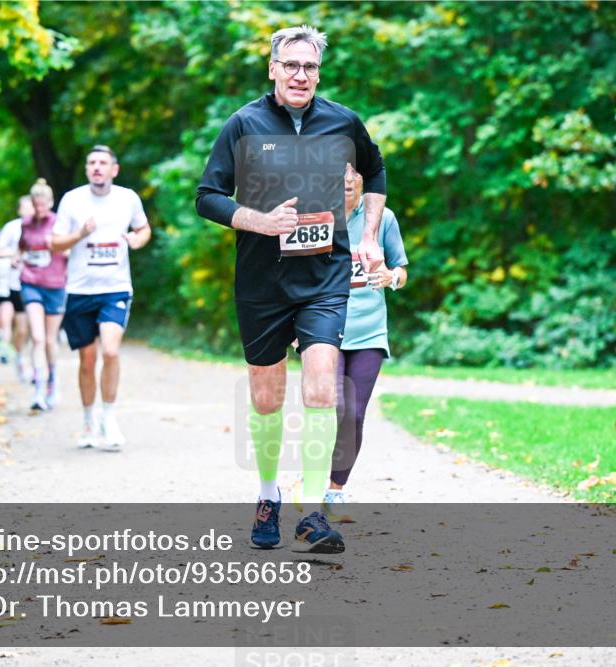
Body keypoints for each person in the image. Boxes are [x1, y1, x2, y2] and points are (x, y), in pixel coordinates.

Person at [196, 25, 386, 553]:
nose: (301, 75)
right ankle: (268, 495)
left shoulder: (343, 121)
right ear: (273, 69)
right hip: (262, 281)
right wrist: (259, 221)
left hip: (324, 277)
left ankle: (312, 511)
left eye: (310, 67)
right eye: (292, 65)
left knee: (322, 386)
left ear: (318, 74)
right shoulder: (244, 124)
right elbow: (207, 196)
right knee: (266, 399)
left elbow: (375, 172)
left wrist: (369, 236)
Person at [52, 145, 151, 451]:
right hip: (80, 290)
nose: (97, 167)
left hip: (115, 288)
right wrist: (80, 234)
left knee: (110, 351)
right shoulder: (72, 200)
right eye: (92, 162)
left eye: (102, 162)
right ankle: (88, 421)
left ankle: (109, 418)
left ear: (114, 169)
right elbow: (55, 244)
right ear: (87, 169)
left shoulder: (127, 198)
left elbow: (144, 228)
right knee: (87, 359)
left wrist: (137, 240)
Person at [324, 163, 408, 520]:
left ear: (365, 179)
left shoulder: (382, 218)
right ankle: (311, 477)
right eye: (340, 171)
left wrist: (391, 277)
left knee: (353, 414)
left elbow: (401, 270)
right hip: (325, 328)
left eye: (355, 172)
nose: (347, 179)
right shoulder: (317, 217)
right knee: (330, 407)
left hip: (369, 330)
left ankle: (335, 489)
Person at [19, 179, 68, 411]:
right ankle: (38, 389)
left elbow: (70, 249)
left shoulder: (59, 223)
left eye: (43, 205)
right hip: (31, 283)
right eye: (35, 205)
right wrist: (17, 258)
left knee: (49, 340)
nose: (39, 209)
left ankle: (52, 381)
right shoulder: (26, 224)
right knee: (37, 338)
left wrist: (58, 247)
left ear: (50, 202)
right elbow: (22, 247)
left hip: (55, 284)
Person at [0, 196, 35, 382]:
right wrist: (17, 254)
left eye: (31, 207)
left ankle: (36, 366)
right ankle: (19, 357)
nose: (29, 211)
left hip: (38, 283)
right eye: (25, 207)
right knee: (22, 329)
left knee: (36, 329)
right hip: (17, 284)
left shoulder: (41, 227)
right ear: (19, 210)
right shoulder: (12, 228)